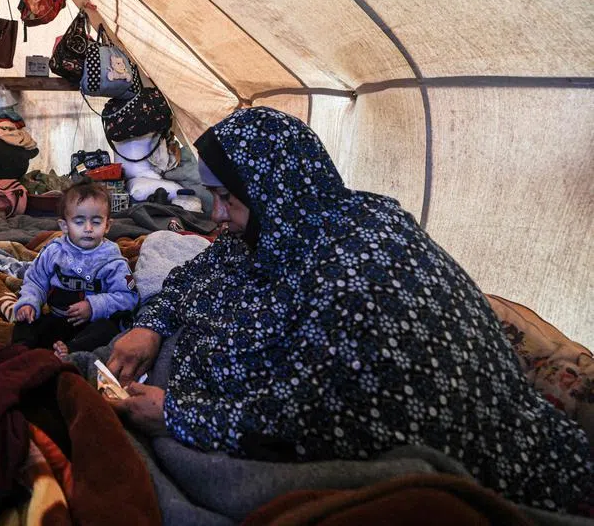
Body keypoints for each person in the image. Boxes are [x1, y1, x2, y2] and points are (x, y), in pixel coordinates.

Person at [106, 107, 592, 511]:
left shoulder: (359, 274)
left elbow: (317, 417)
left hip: (513, 472)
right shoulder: (293, 219)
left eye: (226, 198)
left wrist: (181, 415)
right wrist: (151, 324)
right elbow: (204, 271)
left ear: (268, 188)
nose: (215, 215)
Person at [13, 182, 137, 357]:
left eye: (96, 222)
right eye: (79, 222)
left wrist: (94, 306)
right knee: (25, 322)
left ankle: (70, 352)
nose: (88, 229)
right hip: (57, 320)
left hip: (91, 325)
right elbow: (35, 280)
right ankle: (20, 353)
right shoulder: (54, 251)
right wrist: (29, 302)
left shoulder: (113, 260)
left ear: (107, 225)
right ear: (64, 226)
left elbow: (128, 297)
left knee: (109, 330)